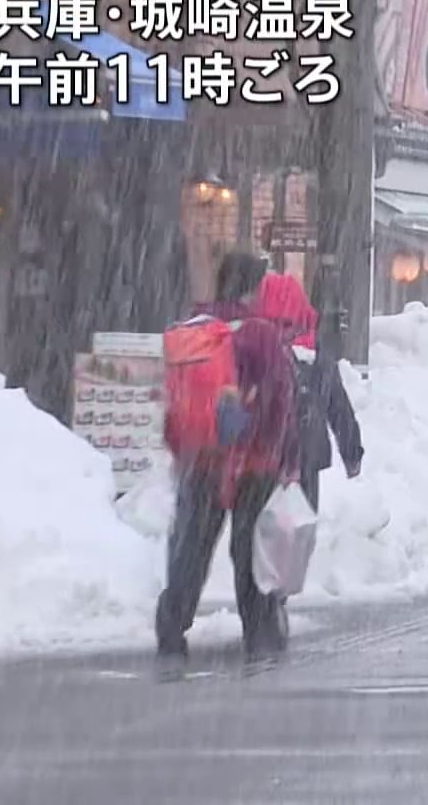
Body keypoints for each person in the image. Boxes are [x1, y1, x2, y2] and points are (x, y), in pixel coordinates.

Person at [156, 252, 298, 662]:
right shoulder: (261, 334)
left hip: (202, 457)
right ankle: (258, 631)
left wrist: (184, 446)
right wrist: (283, 455)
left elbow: (175, 396)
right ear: (254, 288)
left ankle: (172, 623)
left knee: (192, 545)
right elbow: (279, 400)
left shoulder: (196, 329)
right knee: (250, 549)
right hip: (254, 461)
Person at [254, 272, 363, 513]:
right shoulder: (317, 352)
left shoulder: (256, 347)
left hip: (264, 457)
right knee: (301, 523)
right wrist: (352, 451)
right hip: (306, 454)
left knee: (259, 530)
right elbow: (338, 405)